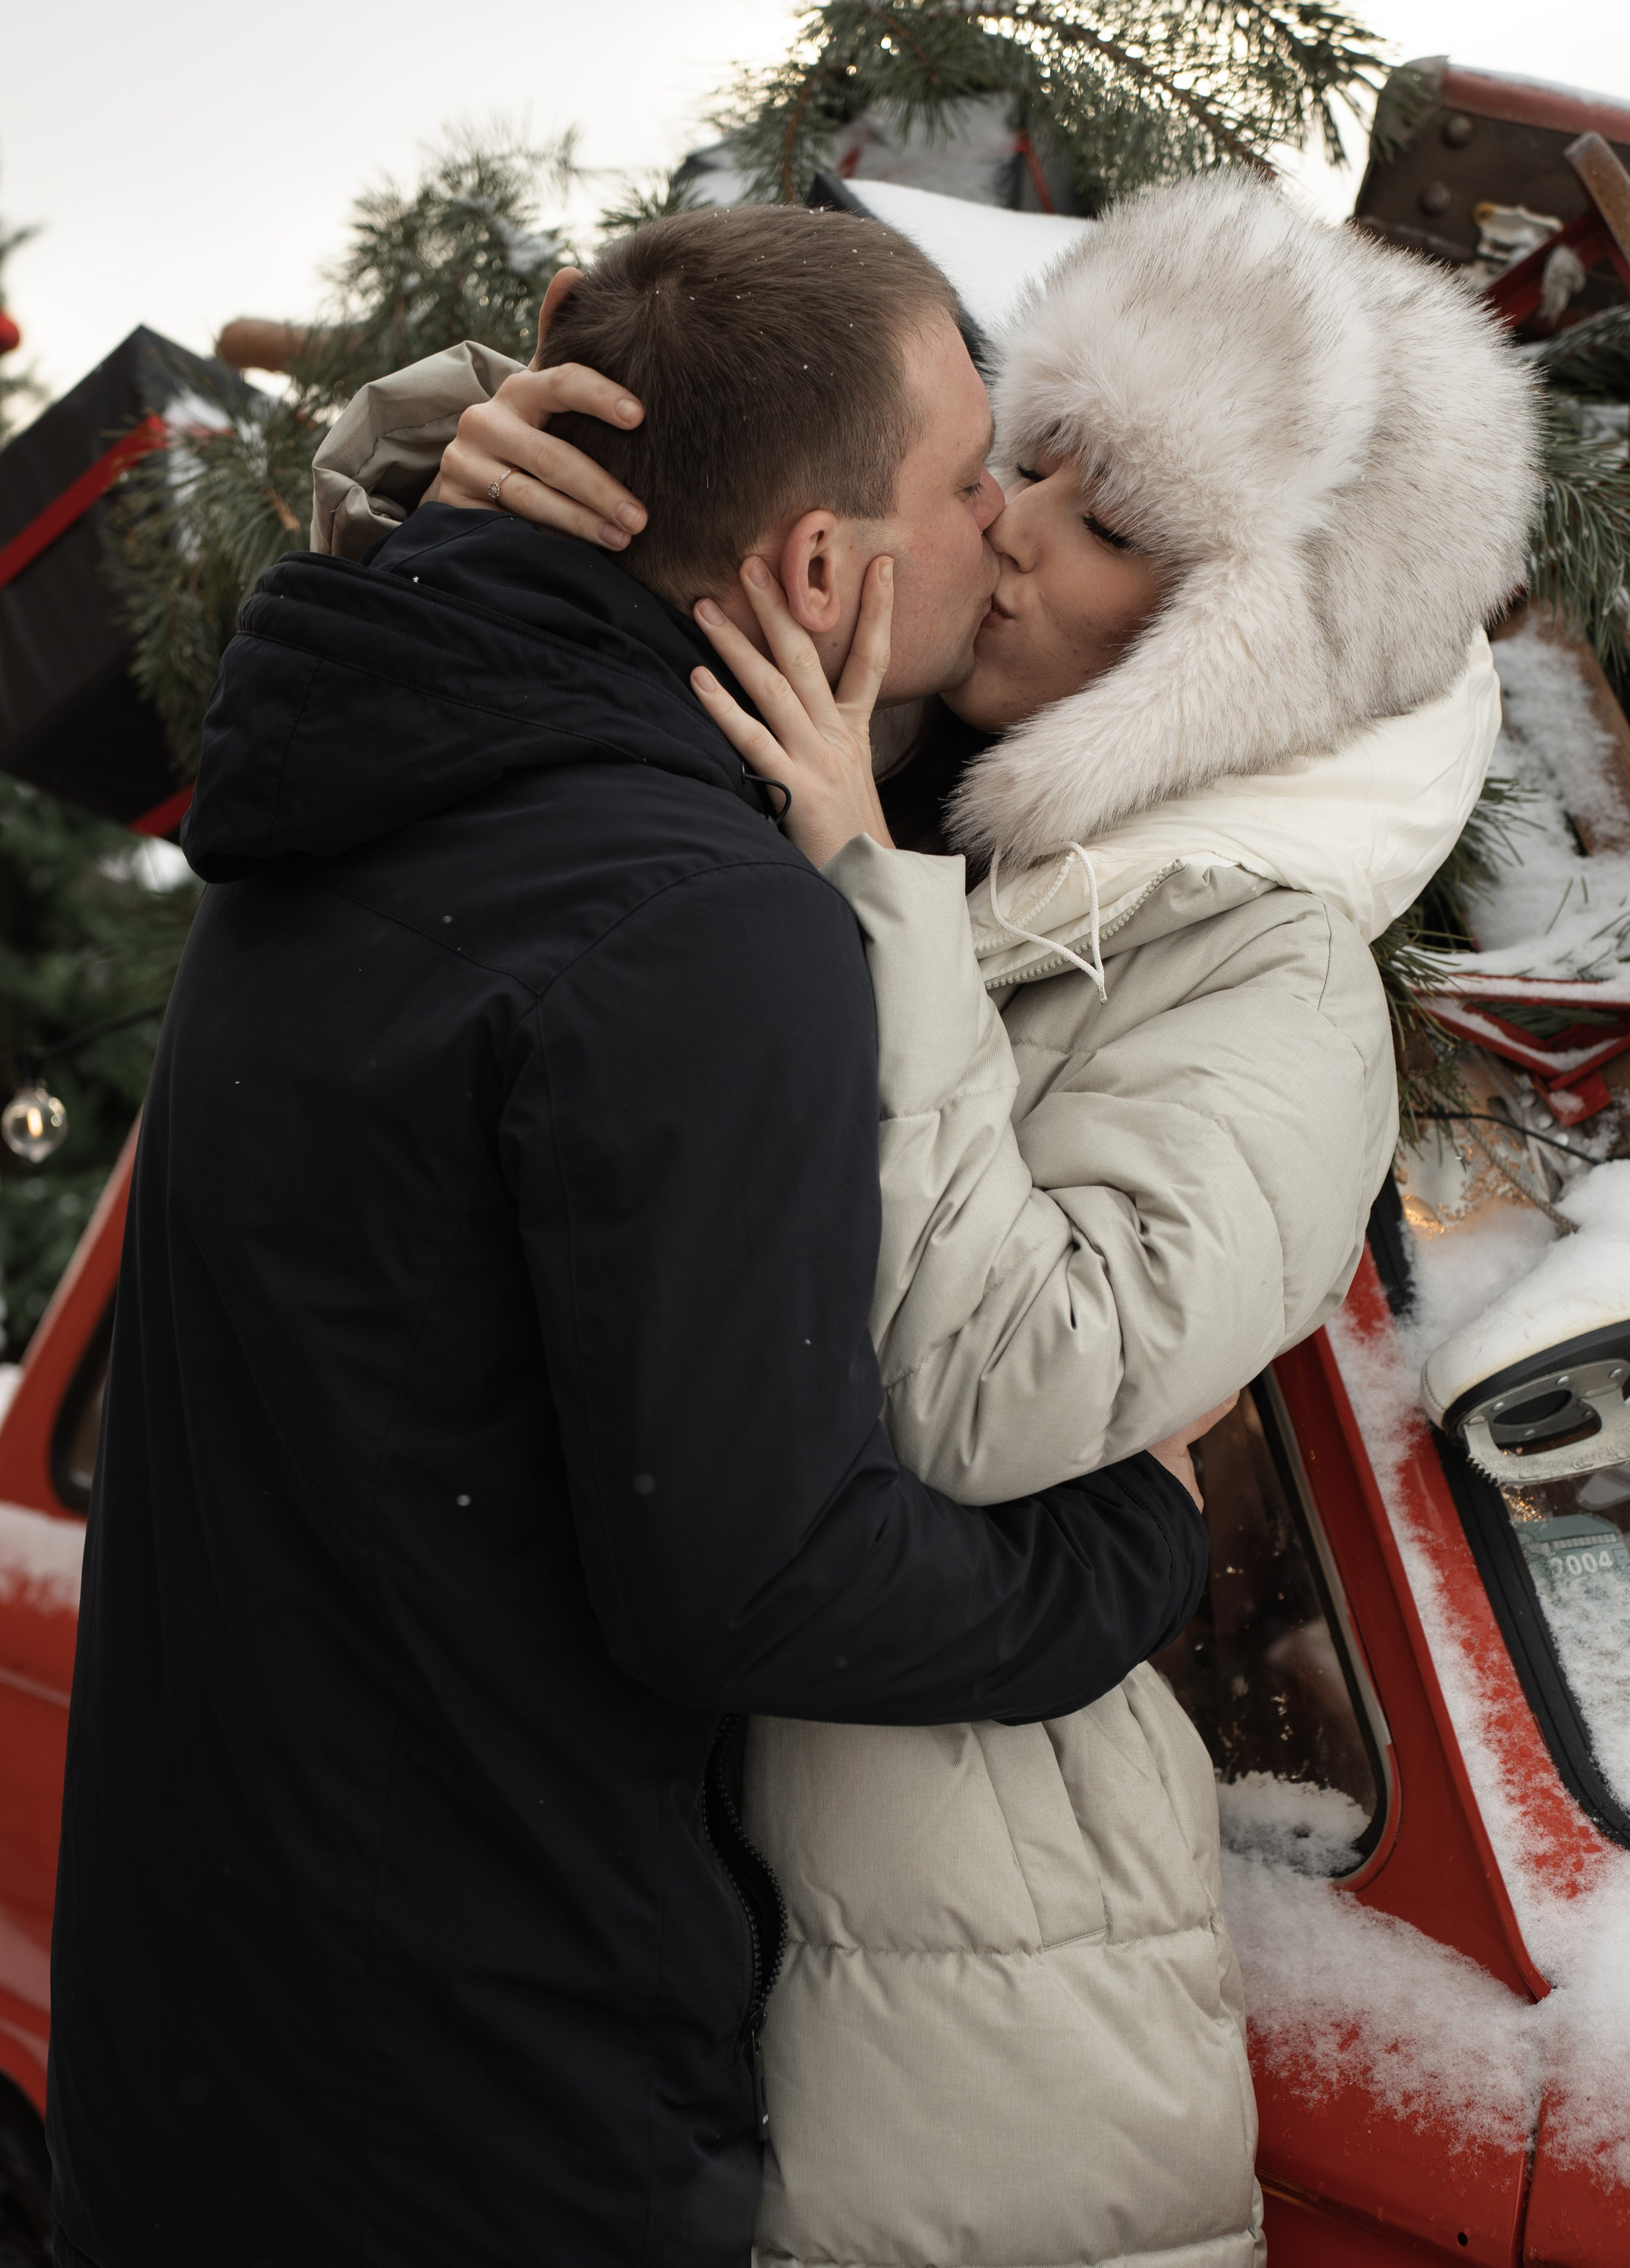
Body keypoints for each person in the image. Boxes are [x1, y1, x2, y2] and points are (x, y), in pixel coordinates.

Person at [330, 169, 1538, 2268]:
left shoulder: (1260, 970)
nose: (1020, 527)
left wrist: (853, 903)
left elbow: (1013, 1383)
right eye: (1038, 455)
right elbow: (552, 731)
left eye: (1120, 529)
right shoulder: (910, 777)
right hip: (648, 1938)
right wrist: (449, 464)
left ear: (1250, 654)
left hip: (970, 2018)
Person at [45, 208, 1215, 2268]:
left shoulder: (352, 777)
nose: (1003, 530)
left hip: (208, 2055)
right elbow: (753, 1579)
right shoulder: (695, 923)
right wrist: (1127, 1541)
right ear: (820, 574)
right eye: (966, 482)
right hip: (485, 2120)